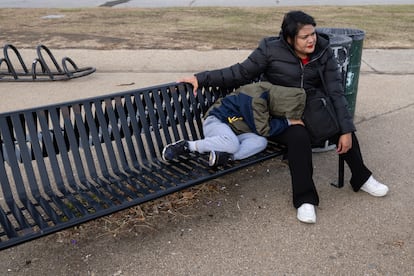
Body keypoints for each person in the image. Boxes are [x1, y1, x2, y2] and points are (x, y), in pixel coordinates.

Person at [177, 10, 389, 224]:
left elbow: (336, 92)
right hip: (278, 113)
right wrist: (201, 78)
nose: (311, 40)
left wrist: (345, 130)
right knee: (299, 136)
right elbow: (239, 73)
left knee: (340, 123)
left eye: (313, 34)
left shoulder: (323, 51)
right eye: (304, 37)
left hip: (311, 108)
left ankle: (361, 177)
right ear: (289, 38)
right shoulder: (270, 49)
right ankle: (305, 199)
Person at [162, 81, 306, 167]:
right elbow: (264, 129)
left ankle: (225, 157)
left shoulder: (270, 95)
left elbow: (260, 133)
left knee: (261, 142)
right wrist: (288, 122)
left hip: (237, 130)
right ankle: (187, 146)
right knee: (232, 144)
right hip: (216, 121)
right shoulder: (256, 98)